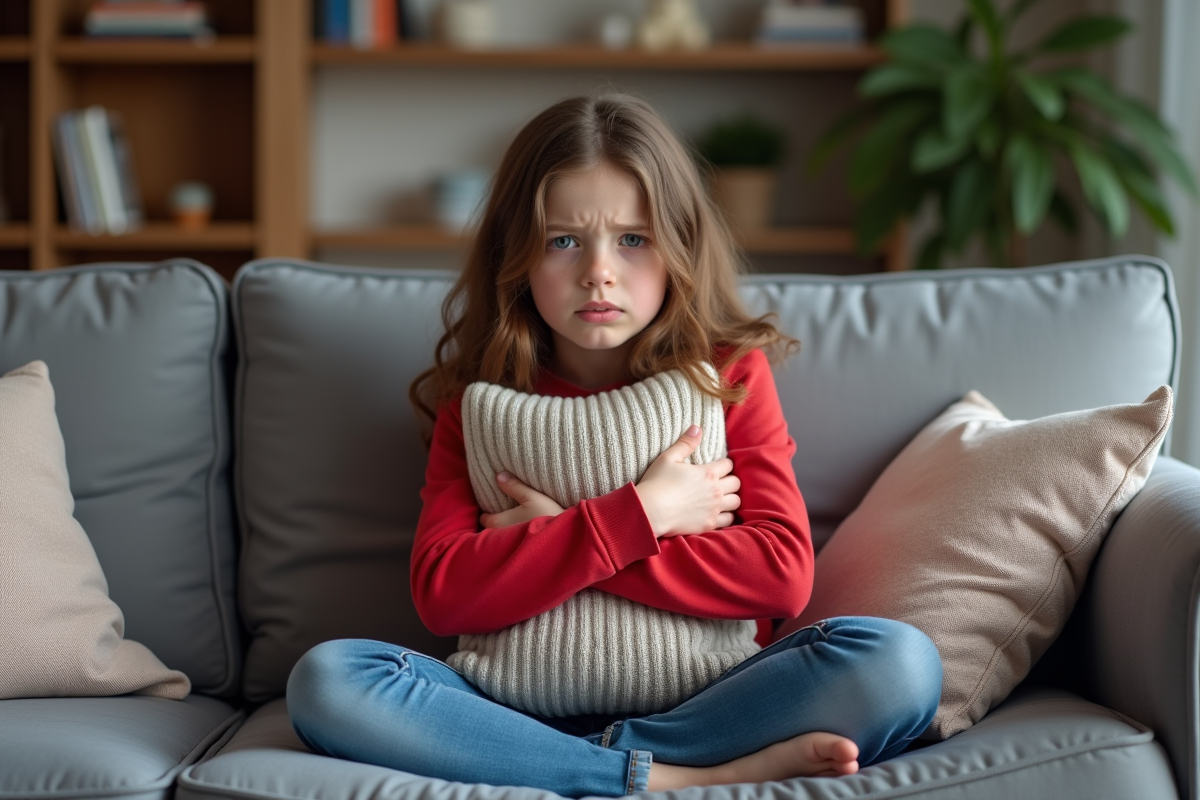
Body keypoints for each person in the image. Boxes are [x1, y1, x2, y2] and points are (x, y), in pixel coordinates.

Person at [286, 94, 942, 797]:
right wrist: (647, 513)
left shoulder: (727, 374)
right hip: (507, 710)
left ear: (678, 247)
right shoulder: (474, 397)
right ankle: (668, 779)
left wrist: (551, 535)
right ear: (517, 254)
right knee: (328, 680)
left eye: (633, 239)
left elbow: (780, 574)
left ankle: (596, 768)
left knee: (898, 661)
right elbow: (444, 596)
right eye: (564, 240)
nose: (599, 271)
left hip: (705, 705)